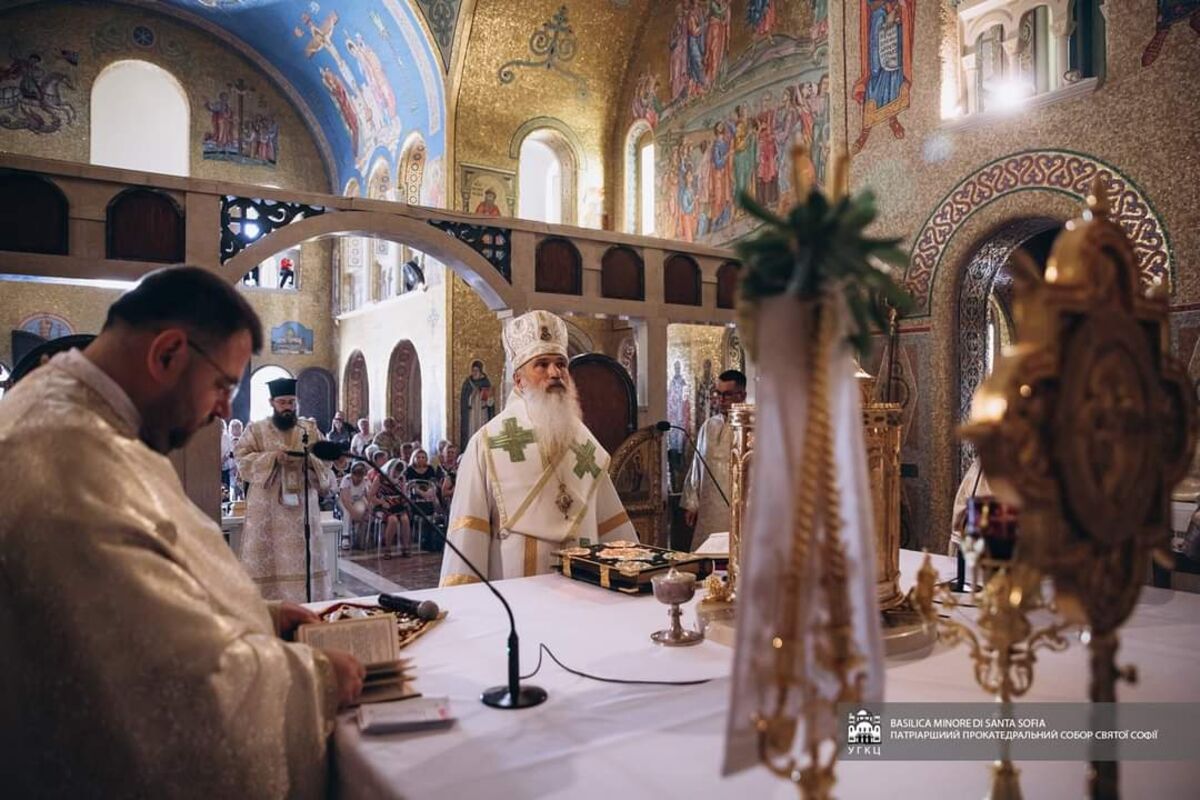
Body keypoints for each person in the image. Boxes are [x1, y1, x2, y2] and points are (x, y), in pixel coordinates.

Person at [0, 265, 364, 797]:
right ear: (167, 354)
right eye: (221, 385)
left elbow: (136, 597)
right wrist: (318, 681)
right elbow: (169, 687)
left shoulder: (86, 422)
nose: (222, 410)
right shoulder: (65, 459)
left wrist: (258, 618)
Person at [439, 310, 638, 586]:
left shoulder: (583, 441)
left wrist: (634, 580)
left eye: (561, 364)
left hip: (584, 596)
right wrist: (464, 607)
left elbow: (610, 526)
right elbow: (468, 538)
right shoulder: (487, 444)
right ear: (519, 380)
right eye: (542, 365)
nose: (555, 373)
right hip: (517, 599)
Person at [235, 377, 335, 601]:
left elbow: (325, 461)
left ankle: (307, 603)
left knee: (302, 554)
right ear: (272, 403)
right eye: (282, 402)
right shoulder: (256, 430)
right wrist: (273, 458)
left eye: (291, 402)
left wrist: (308, 461)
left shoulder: (308, 428)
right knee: (267, 555)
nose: (288, 407)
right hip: (268, 507)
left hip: (302, 508)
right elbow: (241, 459)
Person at [682, 369, 746, 551]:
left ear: (742, 395)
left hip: (734, 509)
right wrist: (692, 503)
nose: (721, 399)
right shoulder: (709, 426)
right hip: (707, 511)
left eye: (727, 394)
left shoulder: (750, 428)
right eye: (718, 393)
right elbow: (697, 464)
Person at [339, 460, 373, 551]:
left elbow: (368, 497)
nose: (358, 477)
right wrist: (353, 512)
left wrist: (368, 509)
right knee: (347, 512)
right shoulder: (346, 479)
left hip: (358, 501)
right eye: (356, 474)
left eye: (361, 474)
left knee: (362, 511)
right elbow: (345, 500)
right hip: (344, 501)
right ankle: (345, 537)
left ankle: (359, 539)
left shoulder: (366, 481)